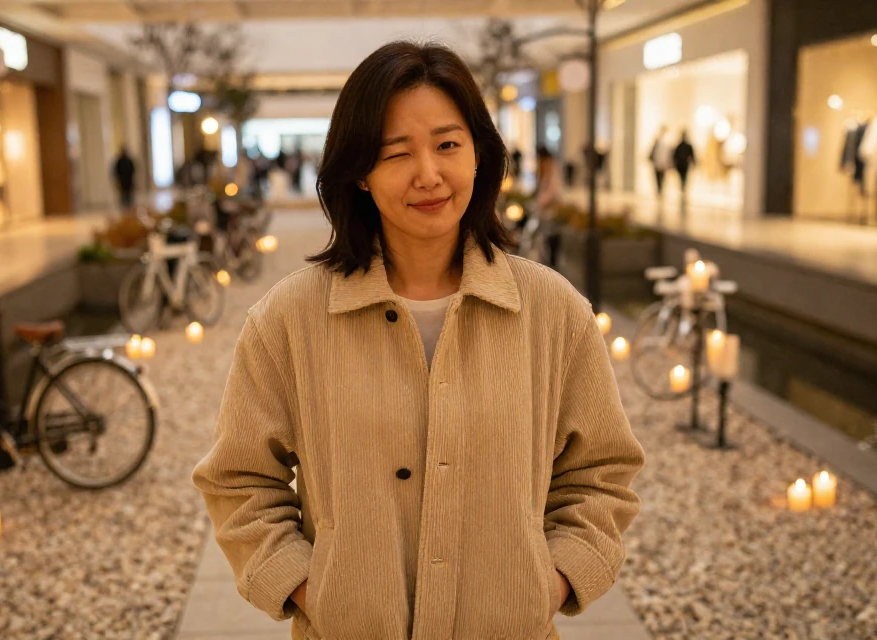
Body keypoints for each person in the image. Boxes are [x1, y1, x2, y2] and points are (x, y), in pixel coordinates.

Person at [192, 41, 645, 640]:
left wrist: (550, 582)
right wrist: (315, 589)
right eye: (396, 153)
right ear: (358, 172)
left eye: (448, 145)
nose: (429, 175)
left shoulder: (553, 311)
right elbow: (239, 479)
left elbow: (602, 472)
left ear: (480, 155)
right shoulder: (290, 319)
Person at [533, 146, 566, 269]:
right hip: (546, 209)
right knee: (546, 235)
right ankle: (549, 261)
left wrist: (541, 201)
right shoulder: (546, 170)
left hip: (552, 209)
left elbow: (553, 191)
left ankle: (552, 263)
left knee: (551, 235)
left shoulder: (553, 169)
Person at [672, 130, 696, 204]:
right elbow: (675, 156)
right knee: (683, 177)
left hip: (683, 164)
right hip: (683, 164)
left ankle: (683, 188)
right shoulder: (682, 146)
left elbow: (692, 155)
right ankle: (683, 188)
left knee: (683, 177)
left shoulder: (682, 146)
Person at [649, 126, 672, 198]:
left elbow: (668, 154)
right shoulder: (657, 141)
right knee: (657, 177)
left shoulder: (667, 142)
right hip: (657, 163)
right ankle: (659, 190)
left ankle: (660, 190)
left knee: (662, 177)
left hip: (663, 163)